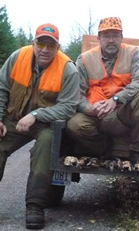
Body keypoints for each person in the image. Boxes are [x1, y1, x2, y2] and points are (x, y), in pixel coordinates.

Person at [0, 23, 80, 229]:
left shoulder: (68, 69)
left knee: (47, 144)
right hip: (13, 117)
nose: (45, 49)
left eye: (50, 46)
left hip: (45, 122)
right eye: (41, 43)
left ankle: (35, 205)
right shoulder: (17, 57)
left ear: (58, 47)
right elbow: (1, 89)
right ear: (33, 43)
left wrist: (36, 114)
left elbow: (69, 107)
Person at [66, 17, 139, 163]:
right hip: (96, 115)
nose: (111, 40)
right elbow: (76, 94)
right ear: (99, 38)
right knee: (74, 125)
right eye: (106, 36)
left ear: (121, 37)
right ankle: (103, 148)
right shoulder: (84, 59)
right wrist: (88, 109)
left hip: (122, 113)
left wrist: (116, 100)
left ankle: (137, 152)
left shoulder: (133, 53)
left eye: (115, 36)